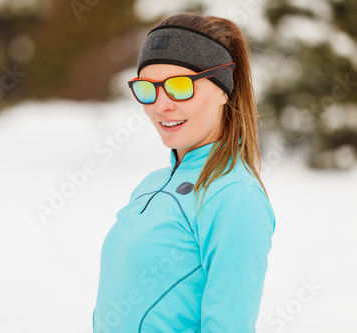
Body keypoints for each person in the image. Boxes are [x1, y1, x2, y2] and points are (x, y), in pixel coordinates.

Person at [92, 12, 276, 333]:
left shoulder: (234, 196)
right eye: (148, 88)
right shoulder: (151, 184)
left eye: (180, 87)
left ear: (223, 90)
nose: (161, 106)